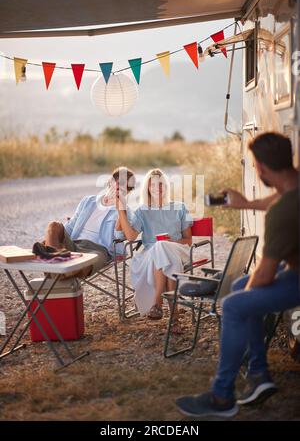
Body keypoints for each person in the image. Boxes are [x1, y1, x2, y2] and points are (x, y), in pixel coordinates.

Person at [176, 132, 299, 418]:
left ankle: (222, 397)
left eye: (256, 165)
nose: (256, 170)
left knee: (235, 303)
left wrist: (244, 298)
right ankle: (258, 374)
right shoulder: (294, 186)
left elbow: (265, 276)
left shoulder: (282, 213)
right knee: (243, 284)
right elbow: (281, 197)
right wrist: (245, 204)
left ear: (263, 168)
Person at [117, 168, 193, 333]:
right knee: (161, 250)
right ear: (148, 188)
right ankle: (174, 320)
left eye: (161, 185)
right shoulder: (142, 211)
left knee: (163, 247)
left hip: (179, 249)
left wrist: (171, 242)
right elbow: (130, 237)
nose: (157, 189)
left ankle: (157, 303)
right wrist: (121, 211)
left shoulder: (180, 208)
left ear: (166, 187)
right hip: (152, 255)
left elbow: (188, 240)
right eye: (153, 186)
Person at [42, 166, 136, 278]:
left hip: (99, 250)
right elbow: (71, 227)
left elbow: (119, 237)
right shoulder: (88, 201)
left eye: (127, 188)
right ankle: (58, 266)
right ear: (111, 181)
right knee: (54, 225)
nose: (123, 188)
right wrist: (52, 239)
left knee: (88, 262)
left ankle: (55, 269)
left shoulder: (126, 212)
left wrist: (121, 210)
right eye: (120, 183)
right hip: (74, 244)